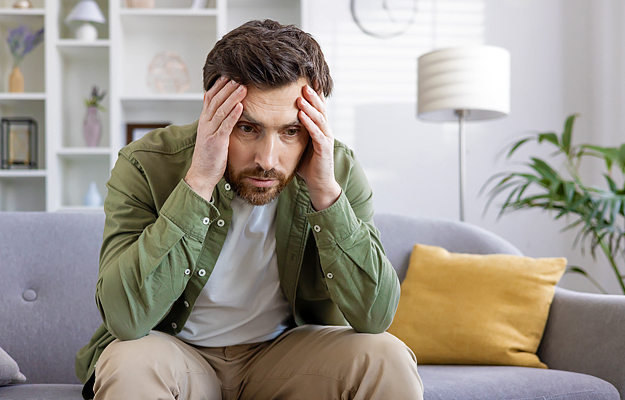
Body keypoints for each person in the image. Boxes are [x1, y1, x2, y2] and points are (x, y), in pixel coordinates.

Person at [75, 19, 423, 400]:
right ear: (213, 109)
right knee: (128, 363)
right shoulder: (145, 163)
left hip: (283, 357)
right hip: (174, 351)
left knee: (387, 356)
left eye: (291, 131)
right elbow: (125, 317)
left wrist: (326, 194)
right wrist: (199, 181)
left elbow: (375, 316)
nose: (268, 159)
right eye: (247, 128)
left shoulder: (335, 169)